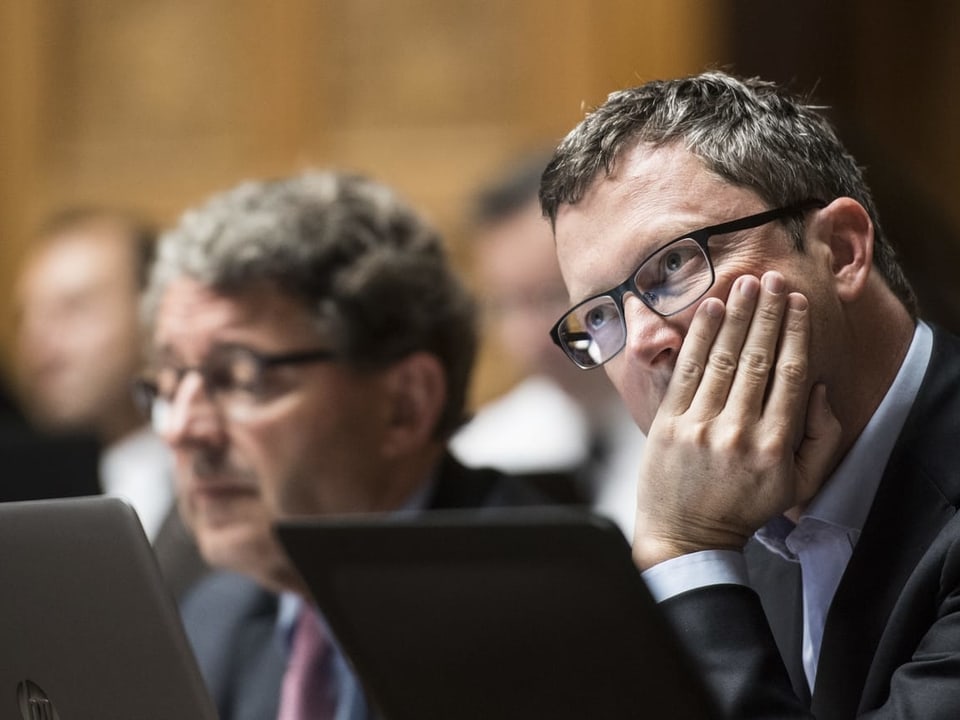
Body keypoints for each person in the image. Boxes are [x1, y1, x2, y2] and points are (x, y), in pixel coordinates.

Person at [539, 70, 960, 717]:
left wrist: (688, 553)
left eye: (674, 265)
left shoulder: (700, 535)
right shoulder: (742, 510)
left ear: (842, 251)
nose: (645, 338)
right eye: (602, 315)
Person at [138, 170, 546, 720]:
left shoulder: (541, 611)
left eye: (239, 376)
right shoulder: (219, 617)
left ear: (405, 404)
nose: (182, 427)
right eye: (169, 380)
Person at [13, 207, 206, 599]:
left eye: (74, 309)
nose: (38, 346)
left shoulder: (228, 477)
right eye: (23, 318)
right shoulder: (36, 492)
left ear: (159, 310)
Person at [451, 152, 645, 534]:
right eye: (505, 305)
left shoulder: (715, 436)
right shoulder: (482, 453)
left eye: (553, 298)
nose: (529, 339)